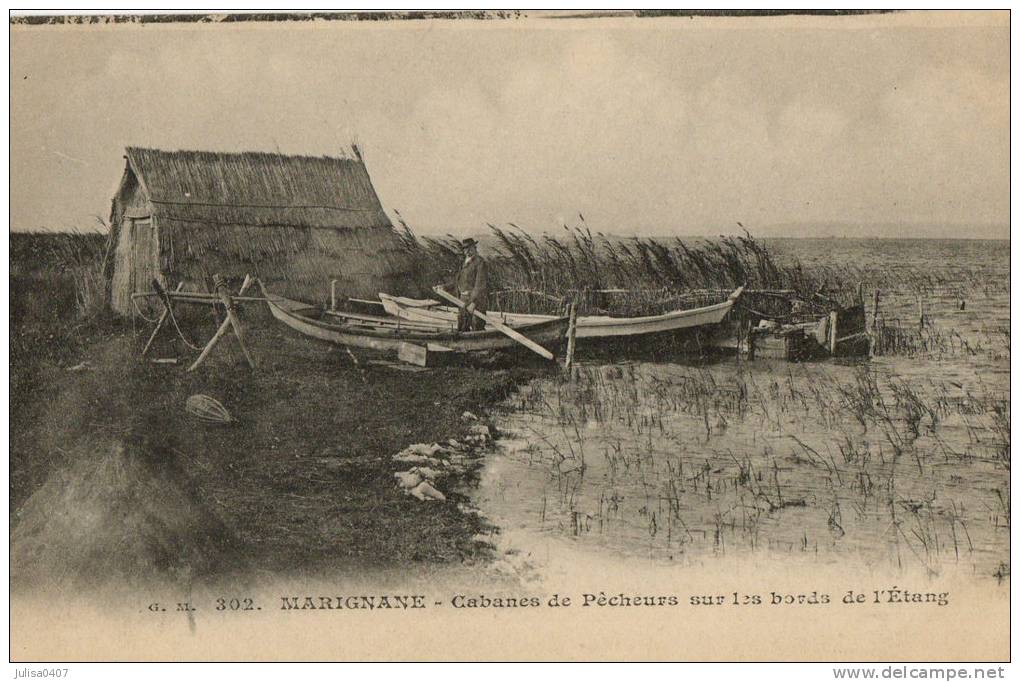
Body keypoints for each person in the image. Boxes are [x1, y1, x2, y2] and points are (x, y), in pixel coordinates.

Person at [444, 237, 488, 332]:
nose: (467, 251)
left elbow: (479, 285)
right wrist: (444, 287)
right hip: (463, 300)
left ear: (474, 248)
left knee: (477, 327)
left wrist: (473, 303)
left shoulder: (480, 262)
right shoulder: (464, 263)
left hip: (476, 302)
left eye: (470, 248)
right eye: (465, 249)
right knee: (462, 326)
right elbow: (457, 281)